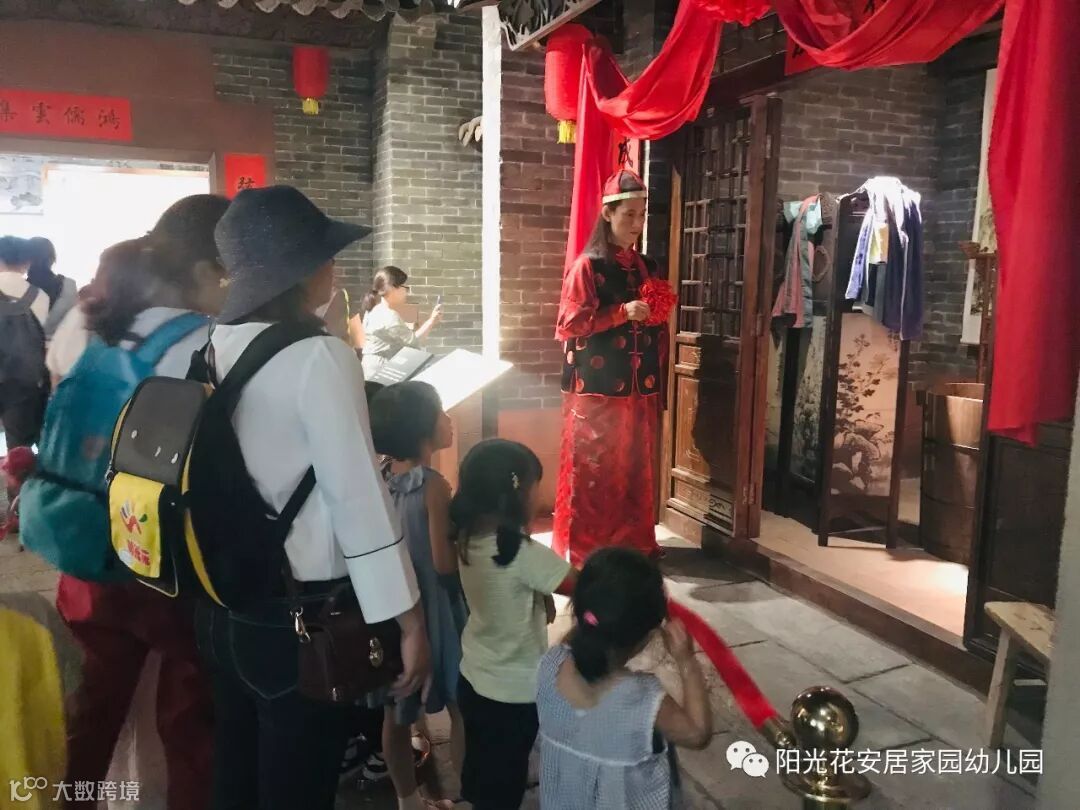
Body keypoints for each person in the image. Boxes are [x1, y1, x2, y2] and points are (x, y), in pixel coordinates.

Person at [195, 185, 430, 810]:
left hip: (221, 607)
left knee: (236, 773)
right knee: (296, 786)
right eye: (326, 255)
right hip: (301, 620)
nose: (334, 268)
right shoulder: (319, 357)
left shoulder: (211, 346)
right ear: (301, 269)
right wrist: (408, 619)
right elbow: (358, 497)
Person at [54, 194, 230, 810]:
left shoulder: (88, 328)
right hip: (159, 557)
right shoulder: (206, 341)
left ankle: (72, 798)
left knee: (92, 708)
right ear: (206, 271)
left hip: (82, 541)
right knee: (189, 712)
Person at [450, 439, 577, 810]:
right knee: (505, 784)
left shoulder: (466, 537)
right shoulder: (523, 554)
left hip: (473, 676)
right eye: (536, 487)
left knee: (481, 768)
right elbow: (585, 586)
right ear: (516, 493)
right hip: (513, 694)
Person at [553, 169, 670, 566]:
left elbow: (655, 322)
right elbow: (568, 324)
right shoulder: (588, 267)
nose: (637, 223)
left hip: (638, 385)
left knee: (635, 468)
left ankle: (633, 546)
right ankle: (587, 551)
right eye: (628, 214)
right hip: (597, 387)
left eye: (642, 214)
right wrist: (621, 312)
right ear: (607, 214)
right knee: (594, 470)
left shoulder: (647, 266)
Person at [536, 547, 712, 809]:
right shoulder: (641, 699)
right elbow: (698, 734)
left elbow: (581, 636)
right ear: (646, 635)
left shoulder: (550, 664)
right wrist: (686, 660)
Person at [370, 381, 466, 810]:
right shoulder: (433, 487)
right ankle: (462, 796)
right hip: (435, 610)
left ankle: (407, 800)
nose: (449, 420)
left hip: (394, 608)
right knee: (460, 704)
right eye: (442, 413)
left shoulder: (381, 477)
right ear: (423, 429)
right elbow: (444, 564)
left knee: (395, 713)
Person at [0, 236, 47, 460]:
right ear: (27, 262)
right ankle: (17, 482)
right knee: (18, 450)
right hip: (23, 379)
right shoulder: (40, 296)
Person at [360, 266, 442, 380]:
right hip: (382, 372)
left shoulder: (374, 310)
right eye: (405, 287)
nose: (406, 292)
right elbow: (414, 343)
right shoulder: (390, 315)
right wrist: (432, 321)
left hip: (370, 369)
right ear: (392, 287)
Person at [26, 237, 78, 341]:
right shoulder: (69, 286)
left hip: (19, 347)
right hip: (54, 346)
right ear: (52, 258)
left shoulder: (14, 288)